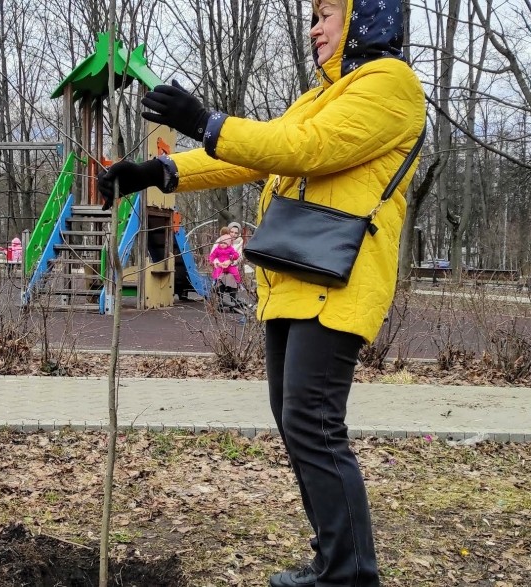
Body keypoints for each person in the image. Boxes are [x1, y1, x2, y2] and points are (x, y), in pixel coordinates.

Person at [96, 0, 424, 584]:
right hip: (294, 273)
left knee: (314, 423)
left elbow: (304, 148)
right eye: (313, 17)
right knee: (296, 420)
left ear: (364, 17)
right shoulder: (321, 94)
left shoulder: (390, 84)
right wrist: (160, 173)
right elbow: (258, 155)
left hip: (338, 278)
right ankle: (333, 562)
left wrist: (206, 121)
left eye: (327, 14)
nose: (314, 28)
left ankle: (349, 575)